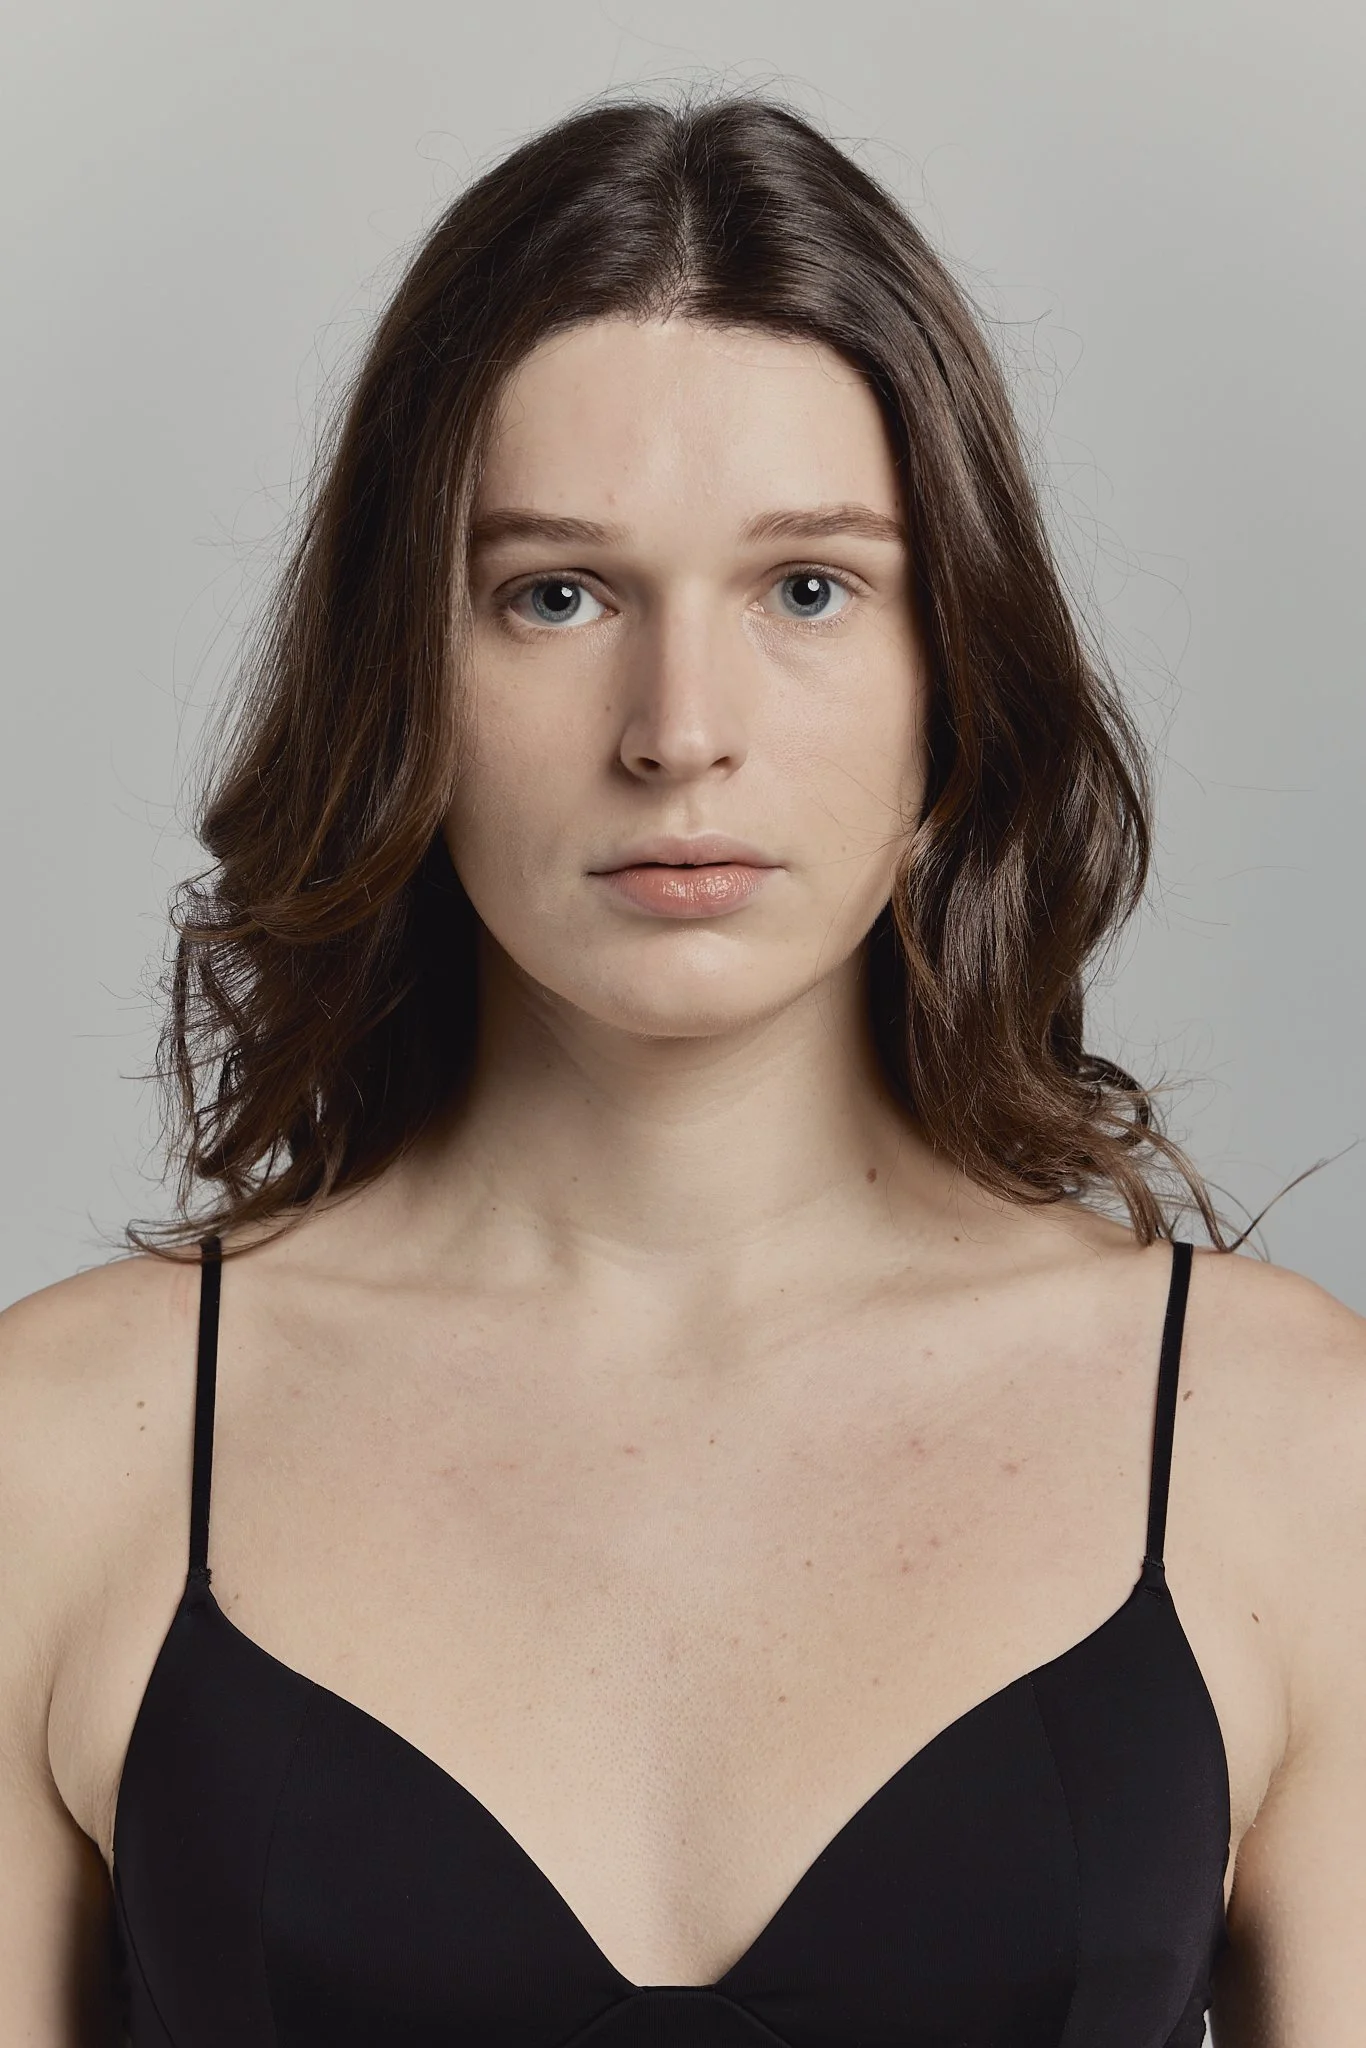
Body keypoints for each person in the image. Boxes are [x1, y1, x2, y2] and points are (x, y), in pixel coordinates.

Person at [1, 89, 1362, 2048]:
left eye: (807, 587)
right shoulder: (57, 1452)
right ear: (406, 673)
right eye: (554, 594)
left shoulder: (1279, 1444)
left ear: (946, 675)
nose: (677, 729)